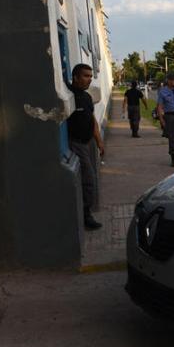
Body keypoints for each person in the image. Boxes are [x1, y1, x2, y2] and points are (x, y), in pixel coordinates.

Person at [68, 63, 104, 231]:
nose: (89, 79)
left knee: (90, 178)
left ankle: (87, 210)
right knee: (88, 179)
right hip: (76, 144)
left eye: (90, 76)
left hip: (88, 143)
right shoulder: (69, 95)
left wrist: (99, 142)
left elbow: (92, 121)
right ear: (75, 77)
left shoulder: (86, 97)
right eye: (85, 76)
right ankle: (86, 214)